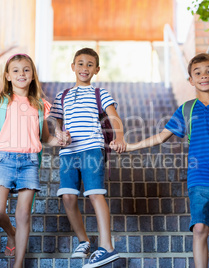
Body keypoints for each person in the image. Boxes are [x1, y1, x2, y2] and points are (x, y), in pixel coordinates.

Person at [114, 53, 209, 268]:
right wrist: (130, 146)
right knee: (200, 228)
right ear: (190, 80)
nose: (204, 76)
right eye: (198, 73)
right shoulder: (186, 109)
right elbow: (162, 136)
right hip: (199, 178)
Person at [0, 54, 70, 268]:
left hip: (29, 163)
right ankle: (11, 233)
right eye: (16, 70)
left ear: (32, 75)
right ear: (8, 76)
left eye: (26, 69)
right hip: (4, 160)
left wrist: (61, 140)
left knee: (23, 214)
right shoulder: (1, 102)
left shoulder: (39, 105)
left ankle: (18, 263)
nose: (21, 73)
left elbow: (45, 138)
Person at [50, 48, 125, 268]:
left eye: (90, 64)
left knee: (95, 194)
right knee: (68, 197)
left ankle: (107, 246)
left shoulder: (100, 93)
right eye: (80, 64)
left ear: (97, 69)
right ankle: (83, 241)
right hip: (68, 152)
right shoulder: (61, 95)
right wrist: (58, 133)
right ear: (73, 66)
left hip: (92, 148)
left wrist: (119, 137)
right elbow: (55, 121)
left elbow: (114, 117)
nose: (85, 68)